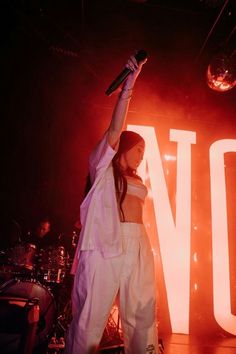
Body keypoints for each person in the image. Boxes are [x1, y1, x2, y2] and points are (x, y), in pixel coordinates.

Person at [65, 53, 158, 354]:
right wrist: (128, 87)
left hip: (138, 244)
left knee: (142, 318)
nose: (142, 155)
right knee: (90, 322)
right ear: (123, 148)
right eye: (139, 149)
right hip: (107, 243)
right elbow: (115, 130)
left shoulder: (138, 180)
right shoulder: (102, 169)